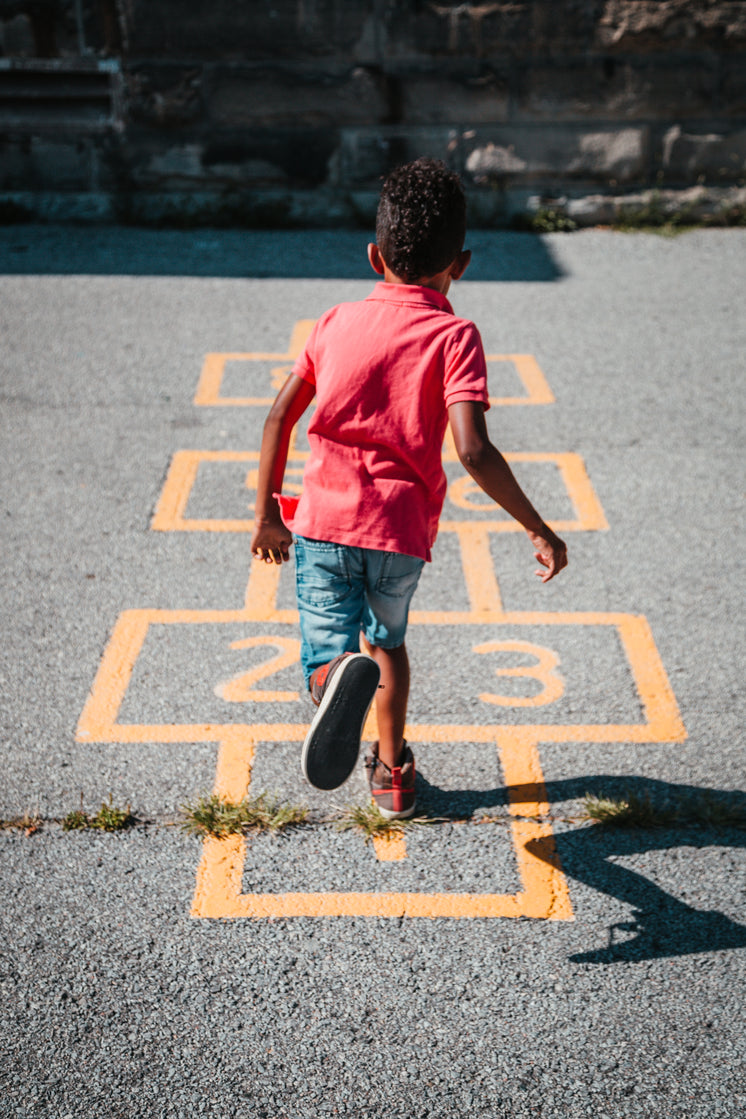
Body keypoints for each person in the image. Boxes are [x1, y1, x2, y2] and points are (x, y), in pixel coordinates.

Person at [250, 157, 567, 820]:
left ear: (373, 256)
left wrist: (265, 520)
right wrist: (538, 526)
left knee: (327, 652)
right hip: (399, 536)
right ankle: (392, 772)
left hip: (323, 524)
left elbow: (280, 415)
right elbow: (473, 450)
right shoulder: (456, 335)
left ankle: (328, 680)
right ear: (463, 264)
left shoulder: (334, 321)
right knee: (387, 644)